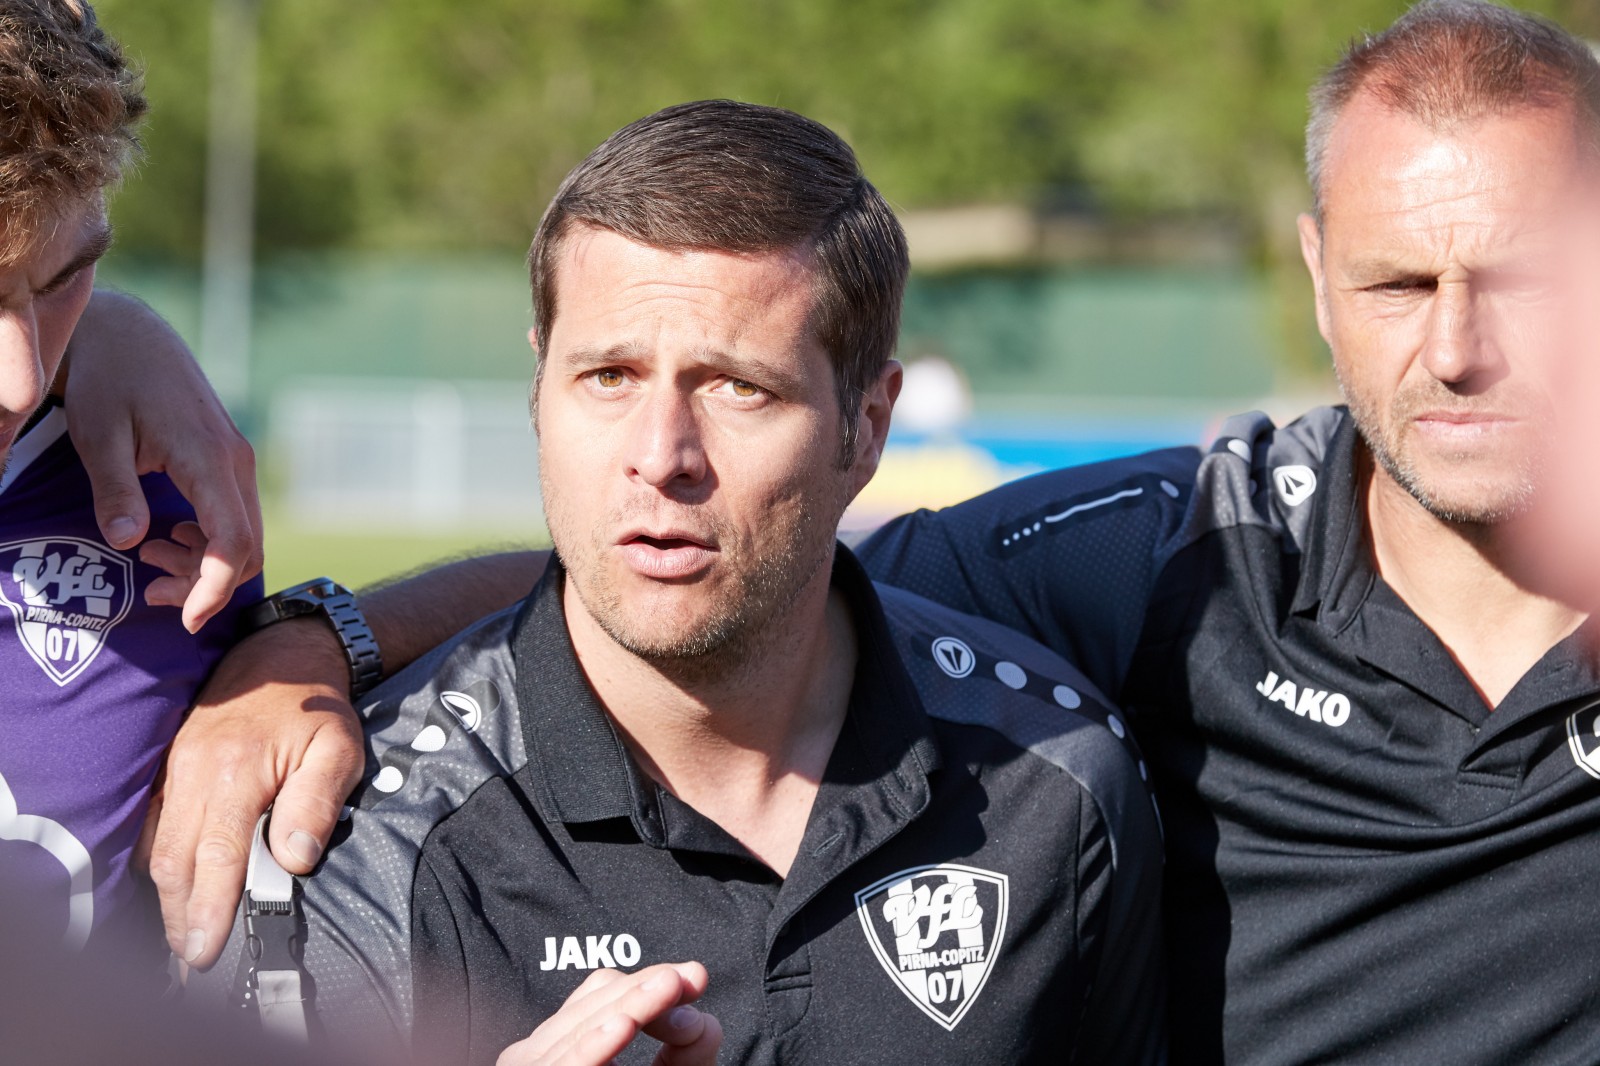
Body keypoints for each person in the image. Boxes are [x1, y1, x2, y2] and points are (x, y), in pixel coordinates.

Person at [164, 0, 1600, 1062]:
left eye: (1523, 277)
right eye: (1401, 280)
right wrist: (319, 638)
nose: (1458, 349)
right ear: (1317, 271)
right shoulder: (1165, 560)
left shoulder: (1059, 784)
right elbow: (703, 577)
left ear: (862, 424)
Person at [186, 99, 1166, 1066]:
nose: (660, 456)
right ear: (539, 388)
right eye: (608, 376)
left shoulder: (1060, 786)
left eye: (739, 386)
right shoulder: (367, 831)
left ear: (865, 425)